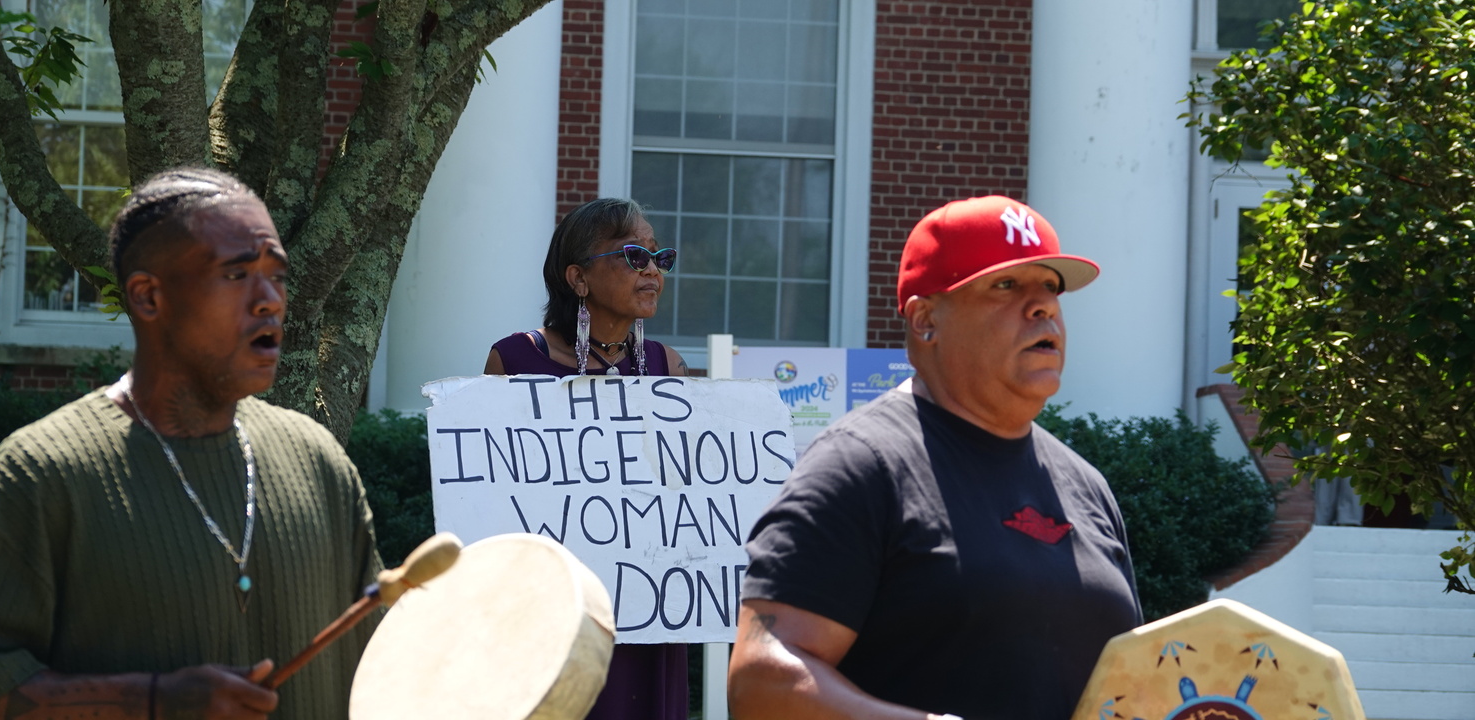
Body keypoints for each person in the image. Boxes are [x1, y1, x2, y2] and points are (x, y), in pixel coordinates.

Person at [0, 167, 381, 720]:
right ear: (147, 296)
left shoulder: (318, 463)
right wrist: (150, 701)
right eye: (237, 274)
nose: (270, 301)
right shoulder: (39, 476)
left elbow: (386, 666)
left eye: (277, 276)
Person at [728, 195, 1143, 720]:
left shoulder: (1086, 487)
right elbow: (762, 681)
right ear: (926, 320)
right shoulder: (859, 465)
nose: (1044, 306)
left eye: (1051, 286)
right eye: (1007, 285)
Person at [484, 197, 689, 720]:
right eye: (633, 256)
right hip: (550, 616)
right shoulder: (515, 361)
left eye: (658, 257)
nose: (652, 271)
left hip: (648, 608)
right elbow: (493, 501)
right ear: (578, 278)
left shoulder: (669, 369)